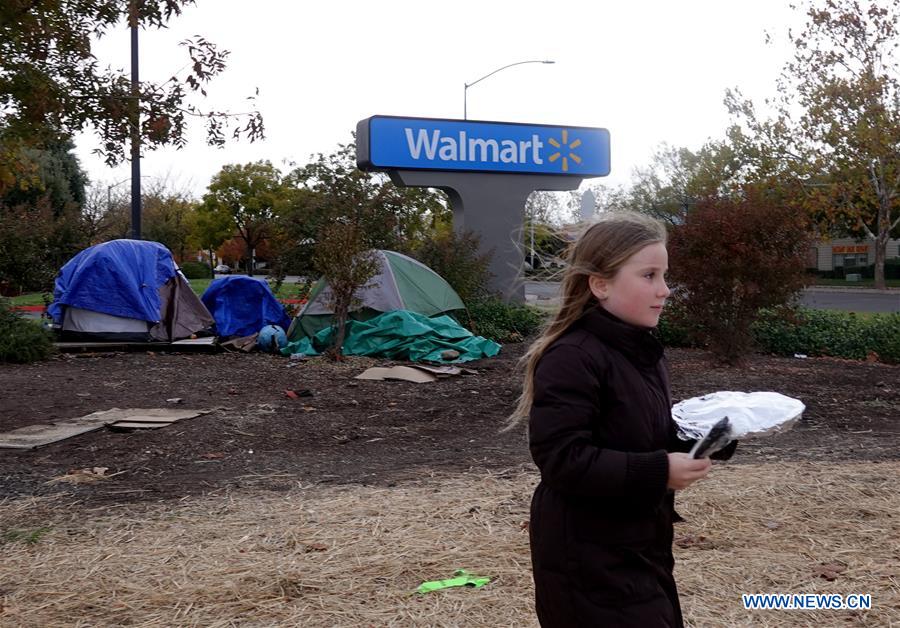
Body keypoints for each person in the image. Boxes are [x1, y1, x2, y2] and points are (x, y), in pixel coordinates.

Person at [509, 211, 735, 627]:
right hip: (586, 557)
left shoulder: (638, 352)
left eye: (665, 276)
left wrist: (714, 435)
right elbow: (562, 458)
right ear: (601, 284)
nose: (664, 290)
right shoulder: (573, 357)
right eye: (649, 275)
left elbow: (643, 434)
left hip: (636, 545)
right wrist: (658, 470)